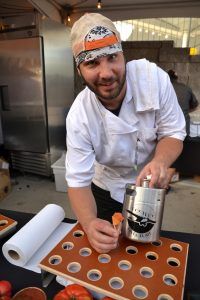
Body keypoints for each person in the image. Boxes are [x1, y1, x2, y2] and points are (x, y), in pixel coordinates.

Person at [65, 13, 186, 253]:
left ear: (123, 55)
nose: (107, 73)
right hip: (105, 185)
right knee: (108, 246)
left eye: (112, 58)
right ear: (79, 70)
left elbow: (173, 132)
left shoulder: (154, 80)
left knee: (144, 245)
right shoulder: (80, 115)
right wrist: (89, 224)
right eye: (92, 63)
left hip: (149, 184)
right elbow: (78, 180)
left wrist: (160, 161)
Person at [167, 69, 199, 136]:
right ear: (177, 78)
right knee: (185, 145)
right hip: (184, 127)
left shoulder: (163, 88)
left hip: (167, 128)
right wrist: (185, 110)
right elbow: (195, 105)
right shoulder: (186, 88)